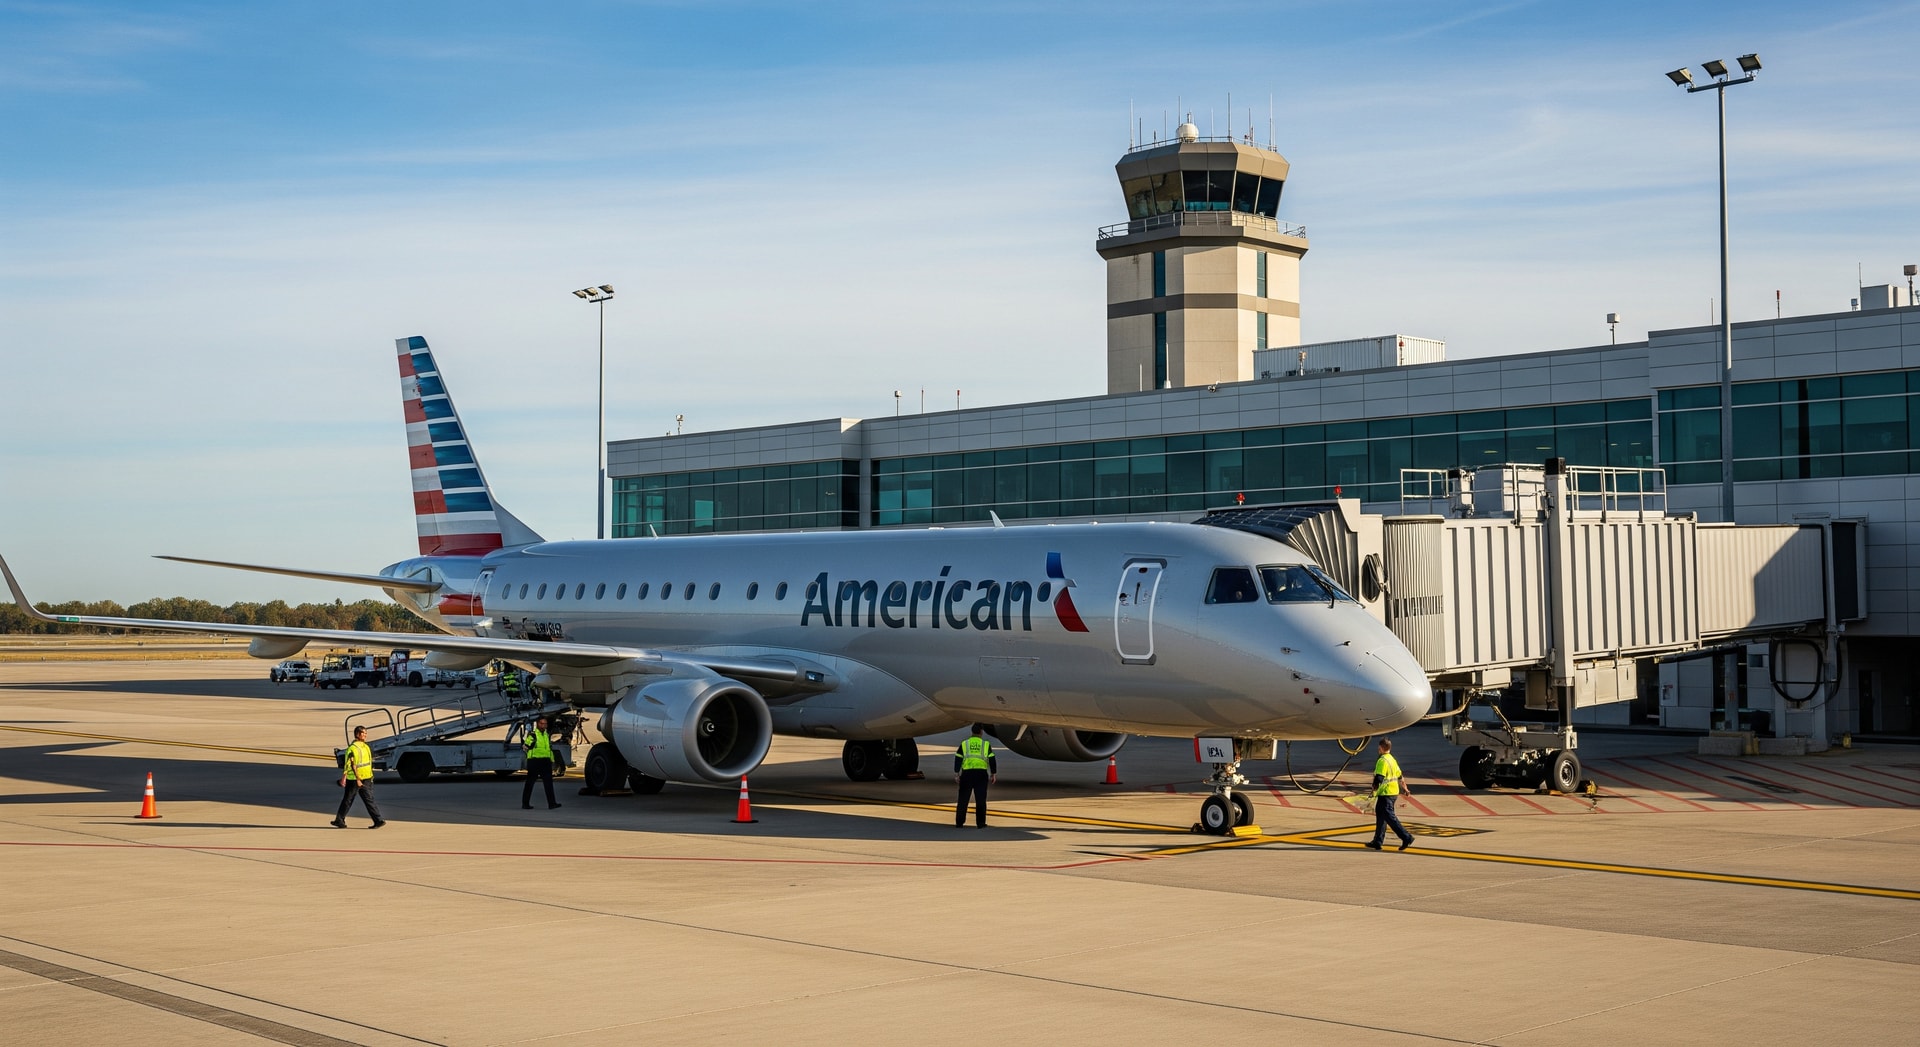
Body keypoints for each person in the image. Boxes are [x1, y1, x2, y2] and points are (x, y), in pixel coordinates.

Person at [1366, 737, 1414, 852]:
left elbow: (1379, 778)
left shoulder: (1382, 760)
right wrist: (1406, 789)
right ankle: (1377, 841)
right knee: (1381, 816)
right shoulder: (1392, 759)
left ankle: (1407, 837)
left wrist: (1373, 791)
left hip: (1386, 793)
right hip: (1392, 793)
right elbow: (1400, 776)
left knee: (1390, 818)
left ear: (1381, 748)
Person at [333, 726, 385, 829]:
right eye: (363, 733)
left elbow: (351, 765)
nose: (365, 735)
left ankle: (340, 820)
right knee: (367, 799)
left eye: (366, 733)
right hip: (364, 777)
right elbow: (354, 764)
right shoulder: (364, 747)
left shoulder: (354, 748)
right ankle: (377, 820)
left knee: (348, 799)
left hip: (356, 779)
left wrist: (353, 779)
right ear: (357, 734)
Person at [952, 724, 996, 827]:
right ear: (981, 732)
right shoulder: (985, 744)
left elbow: (958, 758)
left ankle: (959, 822)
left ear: (972, 732)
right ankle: (980, 823)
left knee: (963, 799)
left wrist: (956, 773)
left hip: (967, 774)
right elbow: (992, 759)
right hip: (981, 775)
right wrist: (993, 773)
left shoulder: (965, 744)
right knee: (980, 800)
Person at [521, 714, 562, 810]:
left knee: (548, 783)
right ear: (538, 724)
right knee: (530, 783)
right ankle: (525, 803)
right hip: (535, 761)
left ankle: (552, 803)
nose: (543, 725)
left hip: (545, 761)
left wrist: (552, 760)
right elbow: (525, 747)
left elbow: (549, 749)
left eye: (545, 724)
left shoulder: (546, 735)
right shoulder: (533, 735)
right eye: (541, 723)